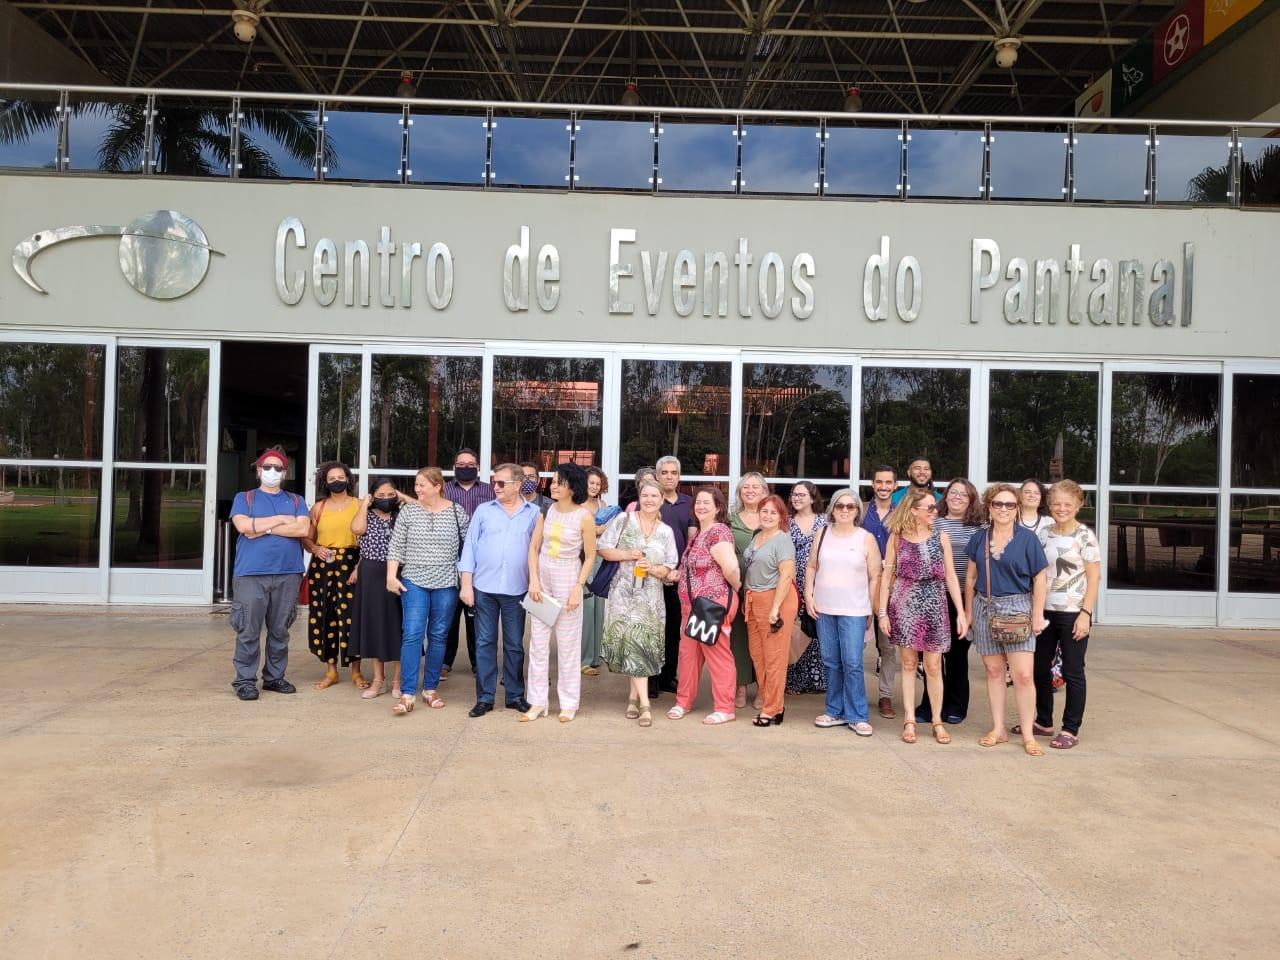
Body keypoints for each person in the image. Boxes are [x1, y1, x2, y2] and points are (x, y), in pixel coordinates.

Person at [963, 483, 1050, 757]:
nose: (1003, 509)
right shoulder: (979, 538)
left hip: (1018, 607)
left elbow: (1040, 578)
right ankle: (998, 728)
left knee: (1023, 675)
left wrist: (1037, 613)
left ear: (1017, 509)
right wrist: (967, 613)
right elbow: (971, 578)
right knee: (994, 672)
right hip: (985, 607)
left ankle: (1027, 734)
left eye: (1009, 505)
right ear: (989, 507)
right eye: (997, 504)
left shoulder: (1027, 539)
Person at [878, 489, 968, 745]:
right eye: (929, 507)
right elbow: (887, 577)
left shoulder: (942, 537)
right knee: (907, 664)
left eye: (934, 507)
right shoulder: (897, 538)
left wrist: (961, 613)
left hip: (936, 606)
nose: (935, 511)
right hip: (904, 606)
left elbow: (951, 577)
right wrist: (883, 612)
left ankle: (937, 720)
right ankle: (909, 719)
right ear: (913, 510)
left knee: (933, 666)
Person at [227, 446, 311, 700]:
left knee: (280, 630)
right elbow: (243, 526)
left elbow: (302, 530)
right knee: (248, 630)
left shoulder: (296, 500)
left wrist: (261, 527)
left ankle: (274, 678)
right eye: (267, 467)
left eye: (278, 468)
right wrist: (281, 520)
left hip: (288, 574)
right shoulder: (245, 498)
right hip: (251, 574)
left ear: (285, 472)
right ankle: (244, 681)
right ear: (258, 470)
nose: (272, 472)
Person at [458, 463, 540, 717]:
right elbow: (469, 548)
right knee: (484, 643)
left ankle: (515, 696)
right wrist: (466, 585)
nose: (495, 487)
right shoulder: (483, 511)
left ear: (517, 485)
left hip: (517, 590)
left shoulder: (534, 513)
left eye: (501, 483)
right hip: (484, 589)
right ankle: (485, 697)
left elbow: (538, 551)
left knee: (515, 645)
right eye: (494, 482)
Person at [386, 467, 468, 715]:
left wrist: (466, 581)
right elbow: (396, 546)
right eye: (416, 485)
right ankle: (408, 692)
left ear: (437, 486)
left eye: (422, 485)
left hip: (446, 582)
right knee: (412, 634)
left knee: (439, 634)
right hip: (414, 580)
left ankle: (430, 689)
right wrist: (391, 576)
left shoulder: (456, 511)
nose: (417, 489)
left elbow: (470, 548)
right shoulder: (408, 511)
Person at [597, 477, 678, 728]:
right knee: (631, 643)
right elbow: (603, 548)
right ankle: (645, 704)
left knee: (639, 643)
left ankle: (634, 698)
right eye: (645, 496)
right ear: (638, 499)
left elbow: (670, 567)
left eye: (655, 496)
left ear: (662, 500)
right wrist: (626, 555)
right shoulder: (623, 520)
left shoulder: (666, 532)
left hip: (650, 598)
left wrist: (653, 569)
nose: (650, 500)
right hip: (622, 595)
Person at [524, 463, 597, 723]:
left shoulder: (584, 516)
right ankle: (537, 702)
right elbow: (533, 548)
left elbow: (590, 556)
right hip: (543, 579)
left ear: (572, 486)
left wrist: (578, 588)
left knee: (567, 645)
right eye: (553, 481)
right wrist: (534, 581)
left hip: (568, 577)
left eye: (559, 481)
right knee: (538, 643)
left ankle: (568, 703)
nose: (553, 485)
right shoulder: (547, 511)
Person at [804, 490, 882, 735]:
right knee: (830, 661)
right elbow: (811, 566)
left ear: (858, 511)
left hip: (855, 610)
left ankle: (857, 715)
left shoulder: (865, 538)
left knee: (852, 662)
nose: (845, 510)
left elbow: (875, 576)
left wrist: (872, 607)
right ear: (832, 509)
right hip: (825, 608)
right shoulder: (823, 533)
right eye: (840, 506)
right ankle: (834, 710)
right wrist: (808, 595)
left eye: (851, 506)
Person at [1034, 479, 1100, 750]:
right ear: (1049, 505)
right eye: (1056, 503)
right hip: (1044, 610)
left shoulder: (1084, 536)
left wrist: (1086, 613)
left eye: (1067, 504)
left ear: (1078, 505)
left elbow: (1094, 578)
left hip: (1074, 612)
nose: (1061, 508)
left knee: (1073, 671)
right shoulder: (1044, 533)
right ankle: (1043, 720)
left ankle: (1070, 728)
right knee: (1039, 667)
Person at [670, 486, 742, 726]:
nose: (701, 506)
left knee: (717, 654)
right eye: (698, 502)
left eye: (706, 503)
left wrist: (734, 587)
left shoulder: (718, 532)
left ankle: (724, 707)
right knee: (688, 655)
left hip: (710, 605)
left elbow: (731, 568)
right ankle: (683, 702)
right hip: (690, 606)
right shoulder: (698, 535)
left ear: (718, 507)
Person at [918, 477, 982, 725]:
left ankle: (956, 704)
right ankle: (930, 705)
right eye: (953, 492)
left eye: (963, 495)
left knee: (956, 655)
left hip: (964, 596)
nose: (956, 497)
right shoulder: (934, 523)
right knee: (931, 656)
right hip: (934, 595)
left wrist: (969, 608)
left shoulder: (978, 528)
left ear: (971, 501)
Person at [302, 461, 364, 690]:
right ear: (325, 483)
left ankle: (356, 671)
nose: (337, 481)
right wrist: (315, 548)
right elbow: (306, 538)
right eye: (332, 479)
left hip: (352, 565)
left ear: (348, 479)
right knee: (325, 615)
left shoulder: (360, 505)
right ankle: (331, 670)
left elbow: (367, 539)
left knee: (352, 617)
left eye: (341, 477)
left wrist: (360, 566)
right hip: (323, 567)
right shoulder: (318, 508)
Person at [744, 494, 798, 727]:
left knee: (774, 658)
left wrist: (775, 608)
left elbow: (787, 575)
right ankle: (771, 702)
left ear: (781, 516)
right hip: (754, 600)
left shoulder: (782, 539)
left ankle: (772, 709)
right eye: (764, 511)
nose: (767, 516)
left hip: (776, 600)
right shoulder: (758, 536)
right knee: (758, 656)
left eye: (773, 513)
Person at [349, 477, 404, 700]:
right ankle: (378, 680)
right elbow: (356, 529)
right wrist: (365, 503)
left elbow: (422, 507)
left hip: (400, 573)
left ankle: (399, 681)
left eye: (390, 494)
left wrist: (400, 497)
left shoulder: (403, 515)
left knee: (400, 626)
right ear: (372, 496)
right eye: (380, 495)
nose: (385, 499)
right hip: (371, 574)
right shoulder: (367, 516)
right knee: (375, 626)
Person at [442, 448, 494, 679]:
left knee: (477, 616)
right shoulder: (443, 490)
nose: (466, 467)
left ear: (478, 467)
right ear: (454, 467)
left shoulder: (490, 491)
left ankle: (477, 662)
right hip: (449, 558)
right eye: (461, 464)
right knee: (448, 615)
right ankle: (445, 661)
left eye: (470, 464)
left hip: (482, 561)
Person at [652, 455, 695, 700]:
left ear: (678, 476)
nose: (669, 476)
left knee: (673, 630)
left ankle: (668, 676)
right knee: (653, 628)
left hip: (677, 578)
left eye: (673, 472)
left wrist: (681, 571)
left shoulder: (689, 504)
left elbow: (691, 542)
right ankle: (651, 678)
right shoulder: (650, 501)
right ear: (657, 476)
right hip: (651, 577)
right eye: (664, 472)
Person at [729, 472, 769, 709]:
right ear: (740, 492)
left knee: (764, 639)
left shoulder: (771, 518)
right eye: (746, 487)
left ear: (764, 492)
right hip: (736, 589)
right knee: (739, 640)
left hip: (765, 591)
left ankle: (763, 688)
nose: (751, 491)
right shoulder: (730, 519)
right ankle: (741, 686)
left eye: (756, 487)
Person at [861, 465, 898, 719]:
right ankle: (856, 694)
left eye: (888, 482)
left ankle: (885, 695)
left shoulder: (902, 513)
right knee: (859, 643)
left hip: (892, 585)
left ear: (895, 486)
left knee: (888, 645)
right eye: (879, 482)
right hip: (861, 583)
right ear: (873, 484)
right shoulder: (861, 511)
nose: (883, 486)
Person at [786, 481, 827, 696]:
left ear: (812, 498)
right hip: (792, 583)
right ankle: (794, 681)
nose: (797, 498)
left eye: (802, 494)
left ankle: (818, 679)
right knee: (796, 630)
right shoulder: (786, 522)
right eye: (794, 494)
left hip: (819, 581)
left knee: (816, 628)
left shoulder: (824, 522)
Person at [580, 466, 619, 677]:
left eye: (597, 483)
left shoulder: (603, 505)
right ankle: (583, 659)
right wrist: (596, 530)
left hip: (601, 559)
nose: (594, 487)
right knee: (585, 609)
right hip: (584, 559)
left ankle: (596, 657)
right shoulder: (577, 505)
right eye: (590, 483)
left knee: (599, 607)